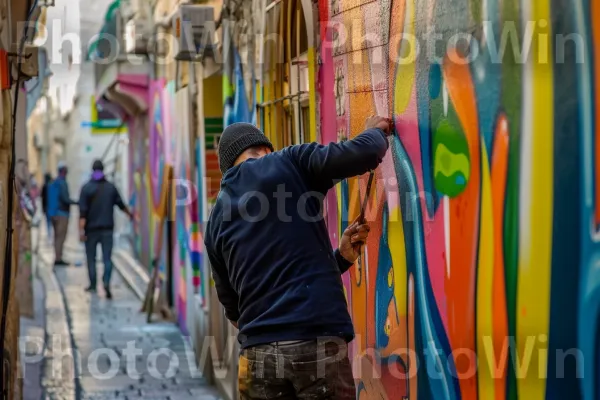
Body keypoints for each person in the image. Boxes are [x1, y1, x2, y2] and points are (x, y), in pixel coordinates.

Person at [204, 116, 392, 399]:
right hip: (315, 342)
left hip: (258, 358)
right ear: (265, 149)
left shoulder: (216, 219)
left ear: (228, 167)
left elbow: (236, 313)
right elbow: (361, 154)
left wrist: (340, 259)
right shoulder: (288, 162)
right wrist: (376, 131)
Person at [78, 160, 133, 299]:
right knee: (107, 258)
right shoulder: (111, 188)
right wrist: (131, 215)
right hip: (107, 229)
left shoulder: (86, 188)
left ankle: (93, 284)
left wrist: (81, 231)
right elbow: (121, 205)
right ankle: (106, 282)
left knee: (91, 258)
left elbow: (83, 213)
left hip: (91, 230)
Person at [49, 162, 78, 266]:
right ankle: (58, 258)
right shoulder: (62, 183)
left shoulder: (55, 182)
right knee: (60, 237)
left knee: (56, 236)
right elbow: (65, 199)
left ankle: (58, 256)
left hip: (54, 214)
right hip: (62, 214)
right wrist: (77, 202)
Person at [40, 173, 53, 240]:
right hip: (50, 208)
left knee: (48, 222)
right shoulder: (51, 186)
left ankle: (49, 236)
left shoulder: (45, 186)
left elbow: (42, 197)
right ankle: (50, 236)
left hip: (47, 207)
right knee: (50, 222)